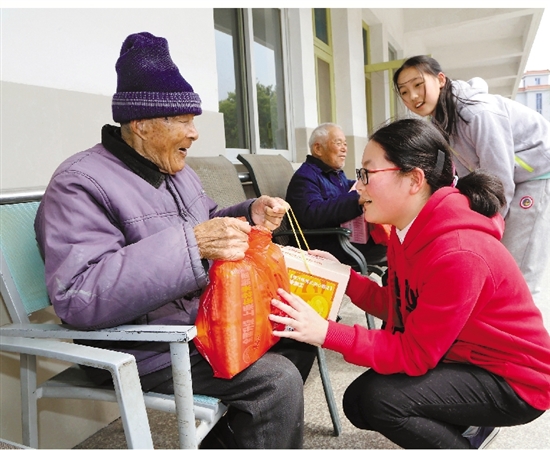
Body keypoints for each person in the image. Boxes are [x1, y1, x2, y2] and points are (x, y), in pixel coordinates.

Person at [34, 31, 316, 449]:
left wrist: (249, 213)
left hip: (197, 323)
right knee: (275, 382)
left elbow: (207, 220)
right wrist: (193, 246)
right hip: (143, 346)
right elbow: (78, 296)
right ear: (142, 125)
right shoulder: (79, 183)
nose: (194, 132)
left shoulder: (175, 170)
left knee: (299, 336)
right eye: (183, 120)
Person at [270, 118, 550, 449]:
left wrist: (325, 331)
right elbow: (399, 306)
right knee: (358, 402)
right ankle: (468, 423)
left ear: (414, 179)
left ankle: (470, 428)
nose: (358, 187)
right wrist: (344, 277)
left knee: (381, 401)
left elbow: (415, 353)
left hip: (516, 379)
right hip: (465, 356)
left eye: (367, 174)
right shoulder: (409, 231)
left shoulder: (459, 253)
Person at [393, 55, 550, 309]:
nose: (412, 96)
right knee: (498, 260)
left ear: (440, 79)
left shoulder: (478, 112)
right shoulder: (440, 122)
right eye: (404, 91)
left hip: (537, 175)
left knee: (518, 269)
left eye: (418, 85)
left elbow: (498, 176)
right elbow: (458, 178)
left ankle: (524, 330)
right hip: (510, 181)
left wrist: (486, 226)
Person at [285, 123, 387, 269]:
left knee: (394, 241)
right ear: (318, 149)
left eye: (345, 144)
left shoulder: (334, 173)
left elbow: (346, 190)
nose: (344, 149)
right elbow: (311, 214)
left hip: (342, 238)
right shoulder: (305, 176)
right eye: (338, 143)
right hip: (324, 245)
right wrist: (356, 198)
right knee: (392, 248)